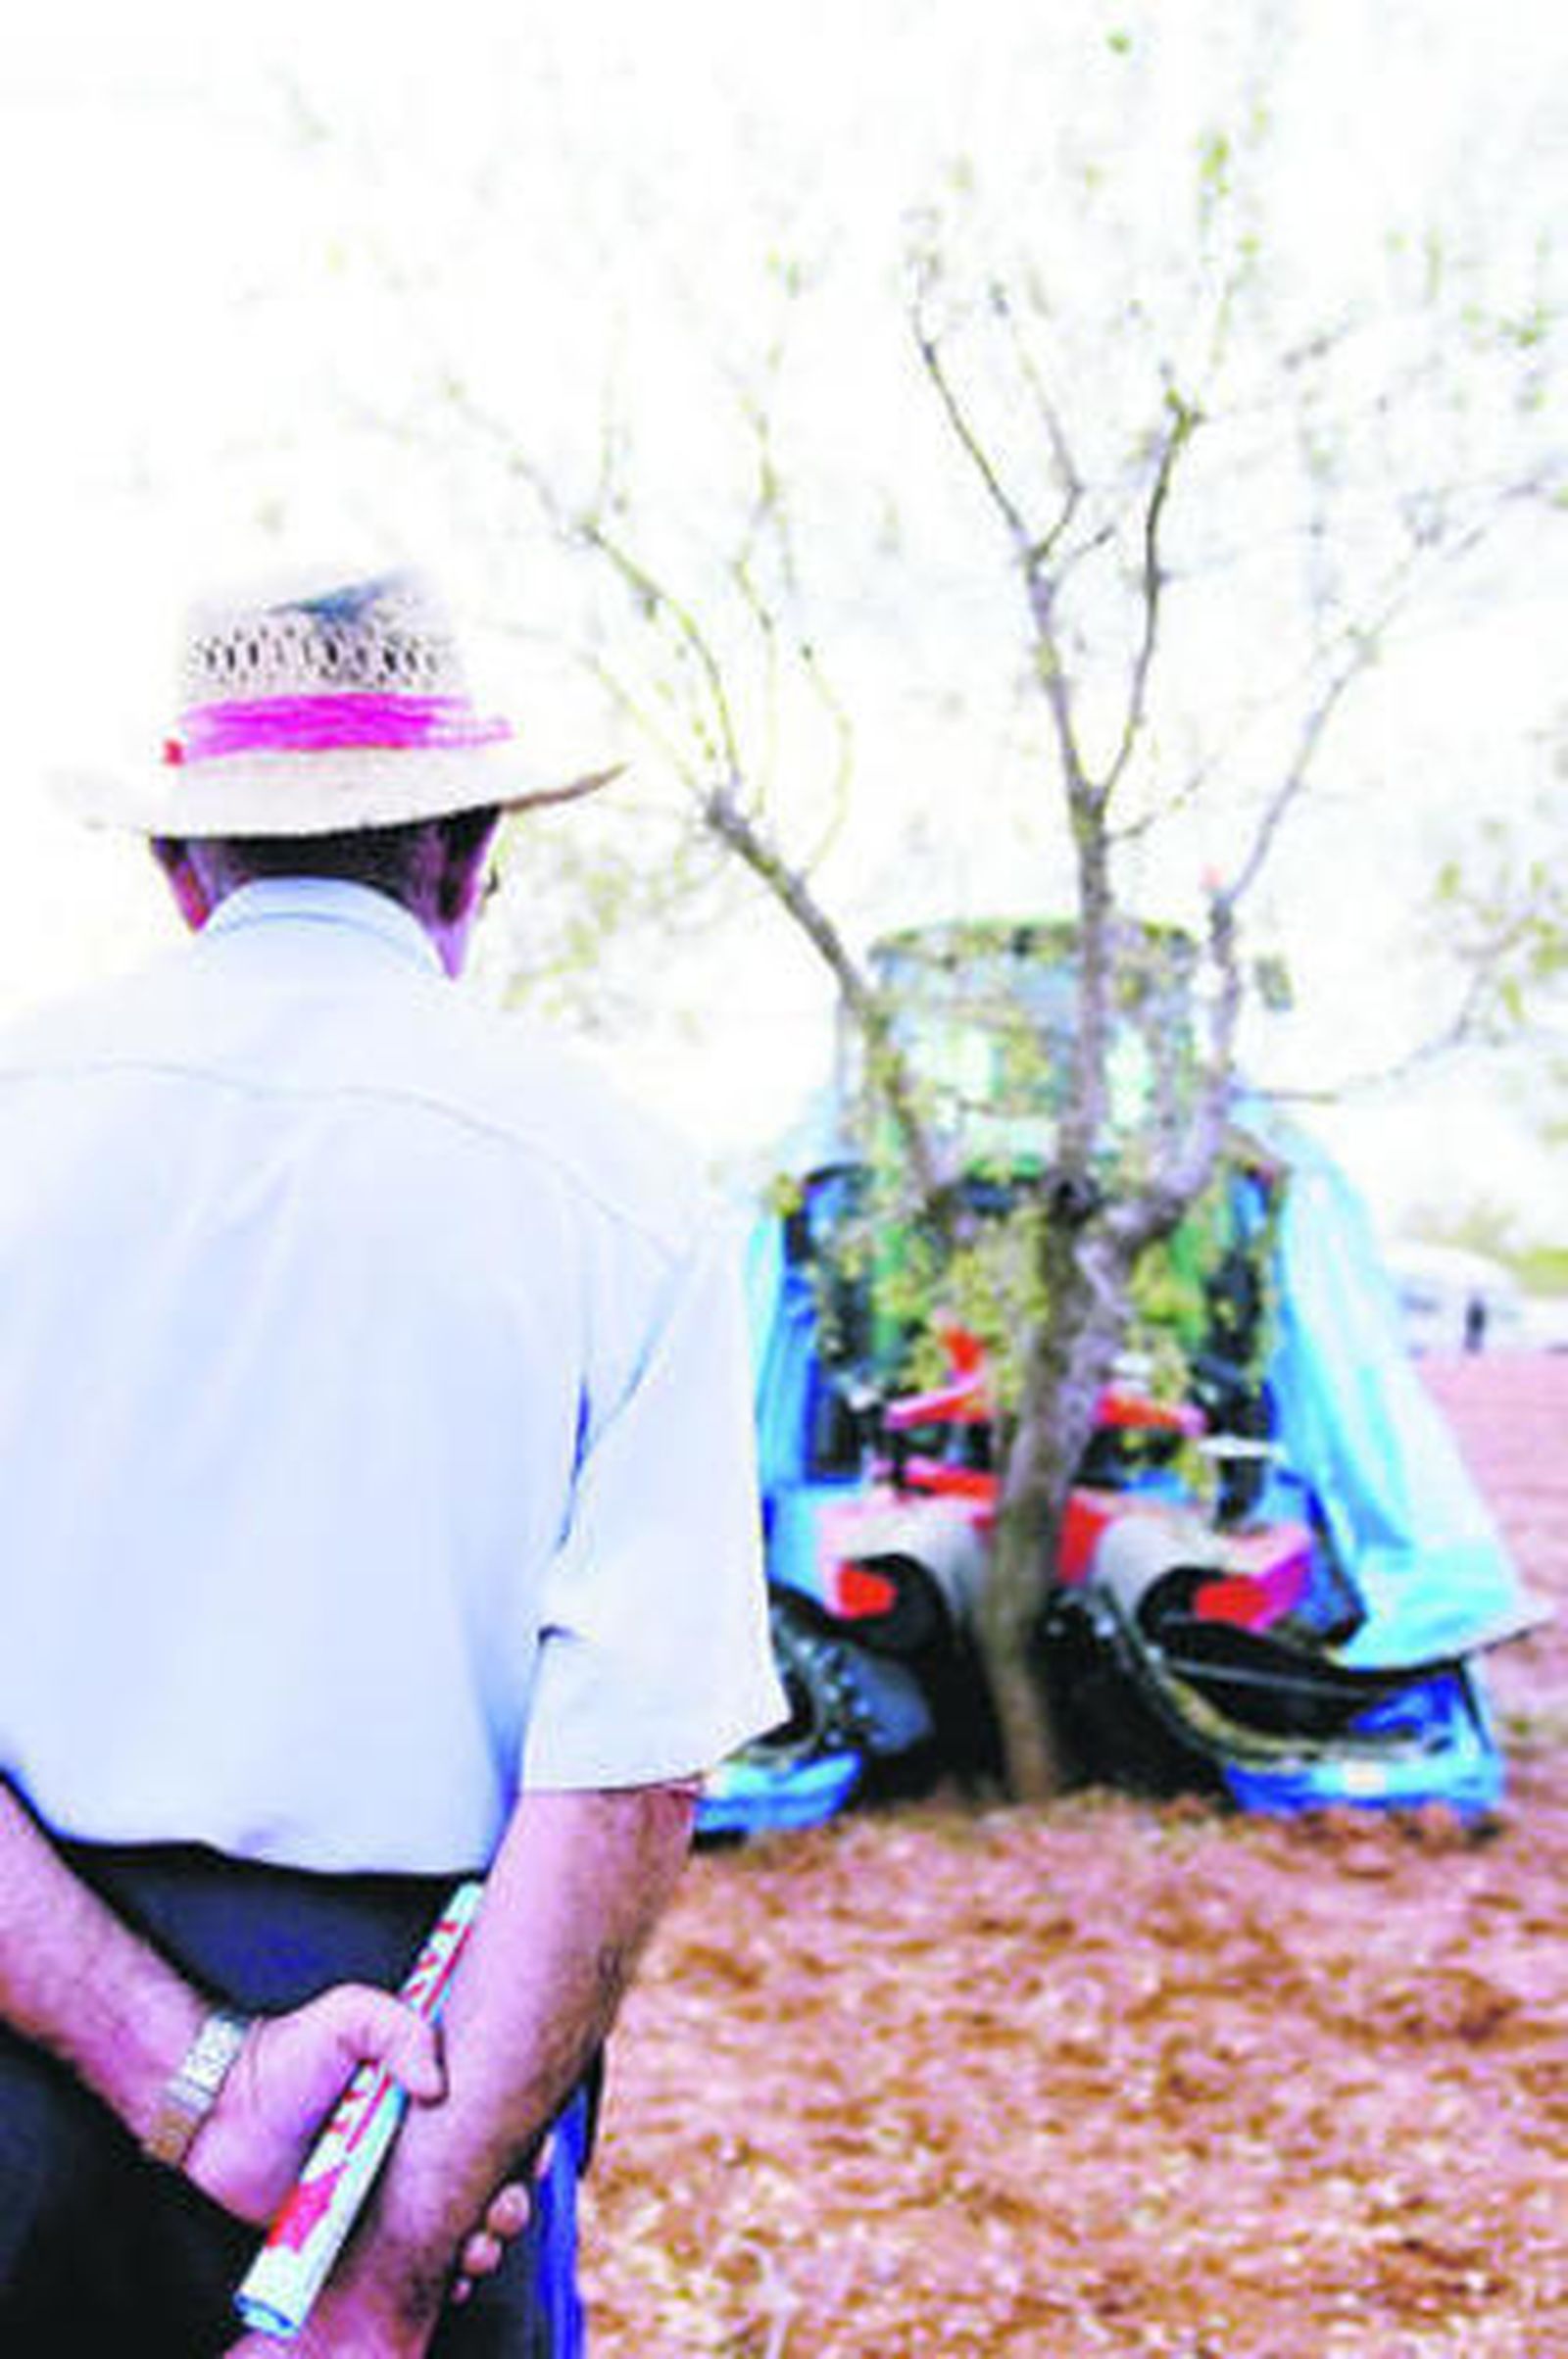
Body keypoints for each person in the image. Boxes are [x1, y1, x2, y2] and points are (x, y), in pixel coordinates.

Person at [0, 566, 785, 2354]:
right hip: (420, 2077)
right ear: (469, 855)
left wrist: (178, 2072)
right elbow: (626, 1778)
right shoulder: (620, 1187)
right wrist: (389, 2268)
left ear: (178, 867)